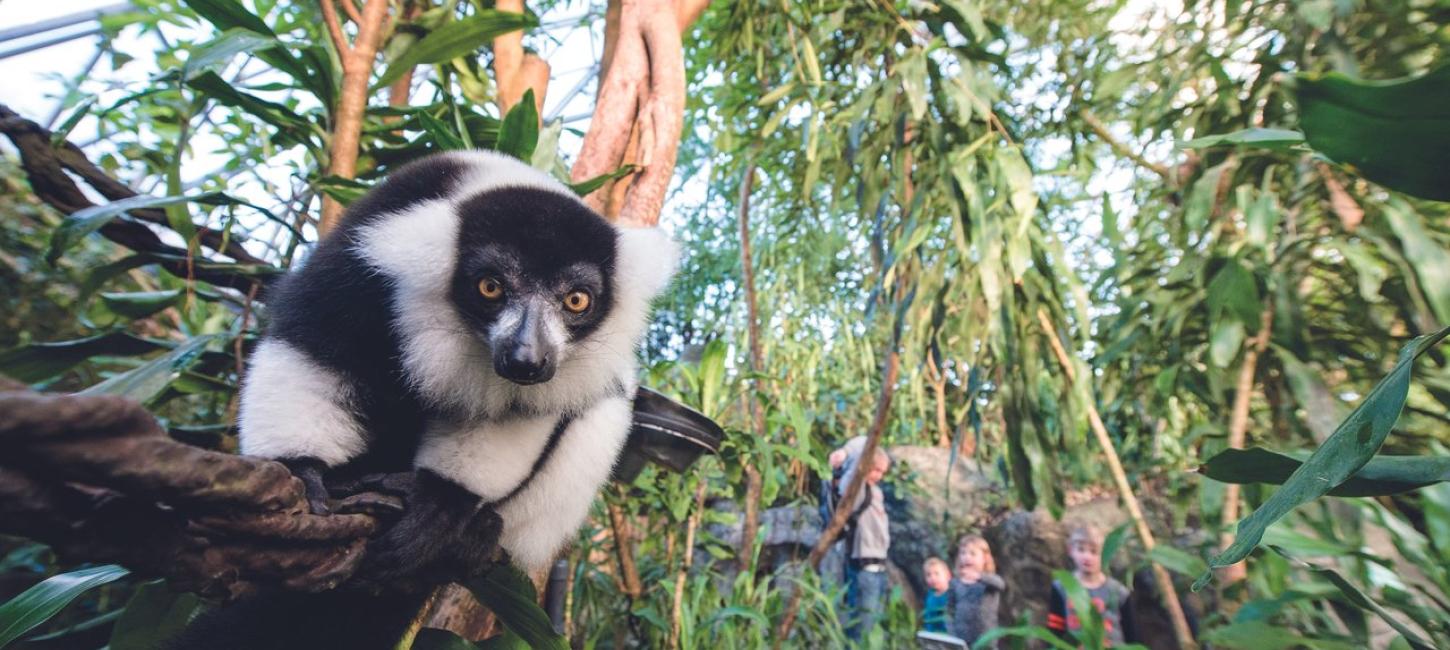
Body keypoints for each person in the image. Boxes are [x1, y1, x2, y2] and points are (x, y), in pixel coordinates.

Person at [830, 436, 892, 642]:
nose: (880, 476)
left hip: (879, 566)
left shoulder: (875, 492)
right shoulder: (856, 489)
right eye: (876, 470)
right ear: (865, 466)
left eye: (883, 472)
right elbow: (866, 440)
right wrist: (846, 453)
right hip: (864, 567)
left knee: (872, 623)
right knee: (861, 626)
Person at [1048, 523, 1136, 646]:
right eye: (1081, 549)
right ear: (1070, 551)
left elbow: (1131, 634)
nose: (1087, 557)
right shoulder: (1062, 587)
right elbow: (1055, 629)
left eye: (1094, 552)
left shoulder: (1119, 592)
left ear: (1106, 553)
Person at [949, 534, 1004, 647]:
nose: (967, 557)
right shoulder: (955, 583)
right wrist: (951, 631)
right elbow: (950, 609)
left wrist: (979, 577)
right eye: (963, 553)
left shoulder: (989, 581)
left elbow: (1000, 585)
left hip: (985, 638)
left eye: (972, 553)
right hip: (961, 637)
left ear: (985, 559)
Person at [921, 557, 953, 634]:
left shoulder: (952, 594)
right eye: (928, 575)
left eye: (936, 573)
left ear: (948, 575)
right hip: (931, 635)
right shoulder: (930, 595)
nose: (933, 578)